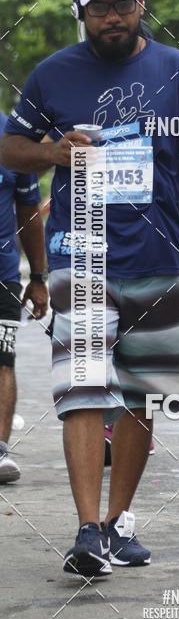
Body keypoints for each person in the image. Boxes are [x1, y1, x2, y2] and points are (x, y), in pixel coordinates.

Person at [0, 0, 179, 578]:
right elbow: (12, 148)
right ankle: (85, 529)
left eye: (122, 5)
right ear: (80, 11)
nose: (112, 18)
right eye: (99, 7)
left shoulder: (176, 70)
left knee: (140, 395)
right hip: (80, 254)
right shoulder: (53, 75)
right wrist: (52, 152)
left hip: (155, 256)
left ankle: (115, 521)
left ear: (141, 4)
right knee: (82, 389)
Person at [0, 112, 48, 484]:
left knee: (3, 360)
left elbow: (28, 211)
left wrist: (38, 276)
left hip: (2, 275)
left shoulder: (12, 135)